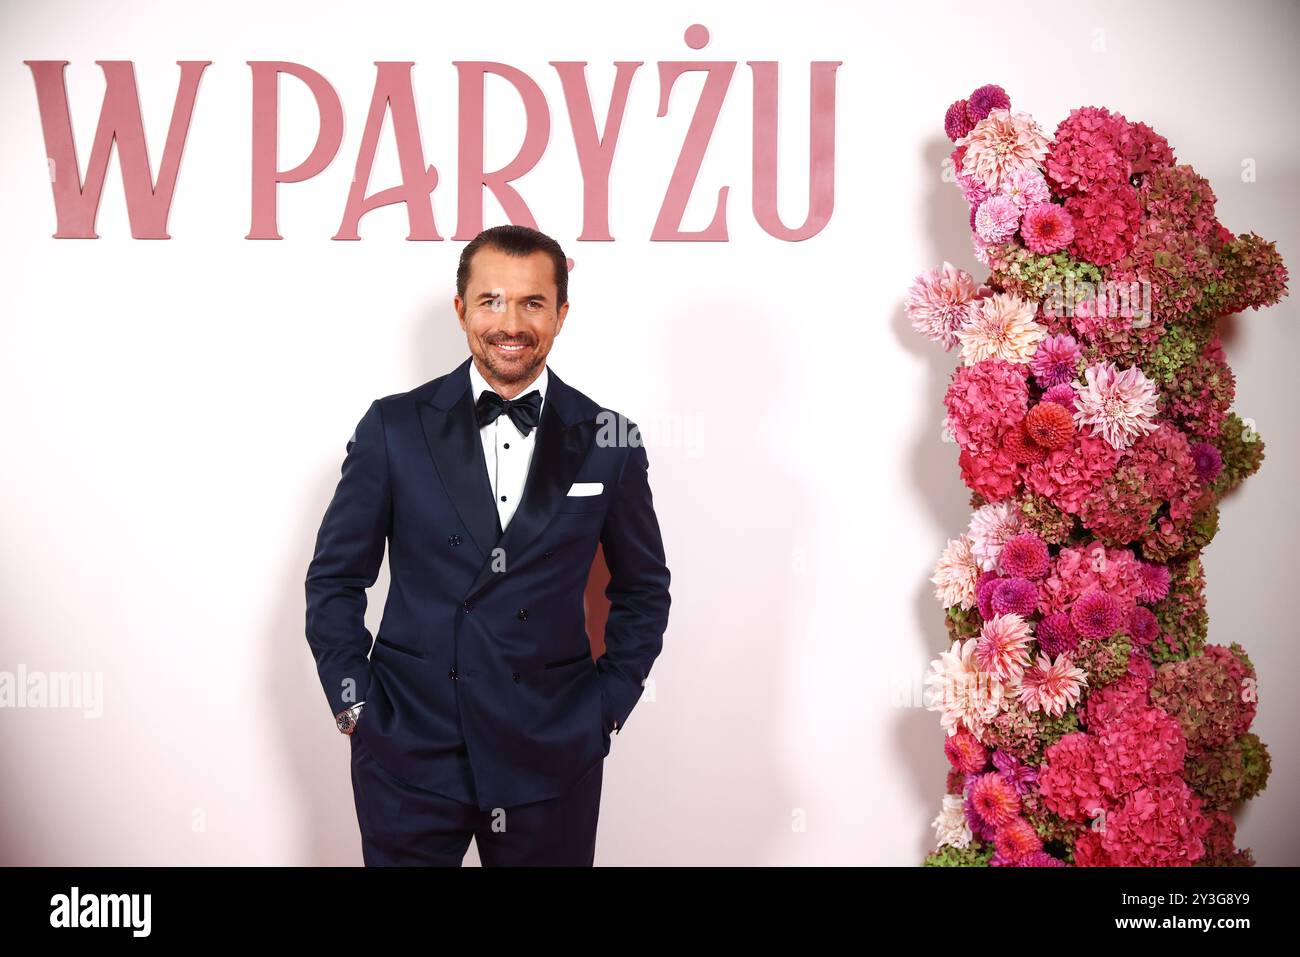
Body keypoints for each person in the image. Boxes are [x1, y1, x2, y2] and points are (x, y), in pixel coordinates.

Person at [304, 224, 671, 866]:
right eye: (491, 300)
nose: (511, 322)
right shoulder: (393, 426)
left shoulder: (609, 438)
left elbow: (643, 589)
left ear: (561, 312)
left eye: (532, 302)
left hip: (552, 752)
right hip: (409, 750)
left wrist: (605, 709)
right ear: (461, 309)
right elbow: (335, 580)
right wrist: (354, 705)